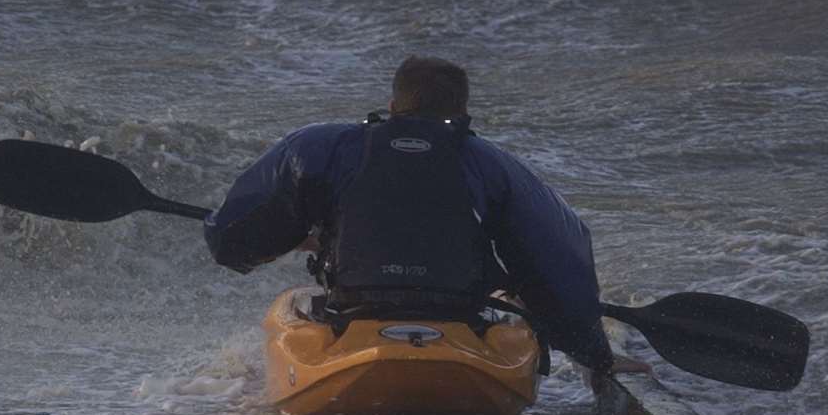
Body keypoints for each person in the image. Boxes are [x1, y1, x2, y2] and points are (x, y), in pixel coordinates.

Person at [204, 56, 647, 375]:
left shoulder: (322, 147)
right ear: (463, 113)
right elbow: (557, 258)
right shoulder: (492, 164)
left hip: (355, 309)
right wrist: (594, 355)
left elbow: (233, 238)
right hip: (457, 313)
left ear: (394, 105)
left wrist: (294, 235)